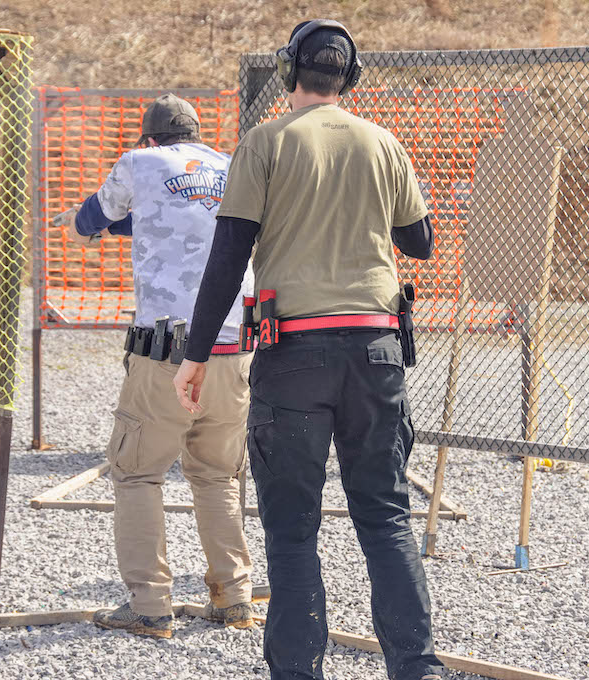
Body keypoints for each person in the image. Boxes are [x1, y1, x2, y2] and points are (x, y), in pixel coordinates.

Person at [173, 20, 444, 680]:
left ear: (290, 70)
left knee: (292, 532)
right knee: (385, 520)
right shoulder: (384, 144)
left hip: (292, 353)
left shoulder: (262, 144)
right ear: (349, 80)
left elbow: (229, 254)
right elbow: (421, 241)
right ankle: (418, 669)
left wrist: (197, 355)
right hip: (377, 352)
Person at [68, 94, 256, 640]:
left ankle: (150, 604)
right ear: (196, 134)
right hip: (231, 349)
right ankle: (234, 597)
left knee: (136, 472)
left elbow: (91, 219)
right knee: (218, 475)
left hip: (166, 355)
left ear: (149, 138)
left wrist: (86, 224)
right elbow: (180, 222)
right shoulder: (230, 166)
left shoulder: (139, 162)